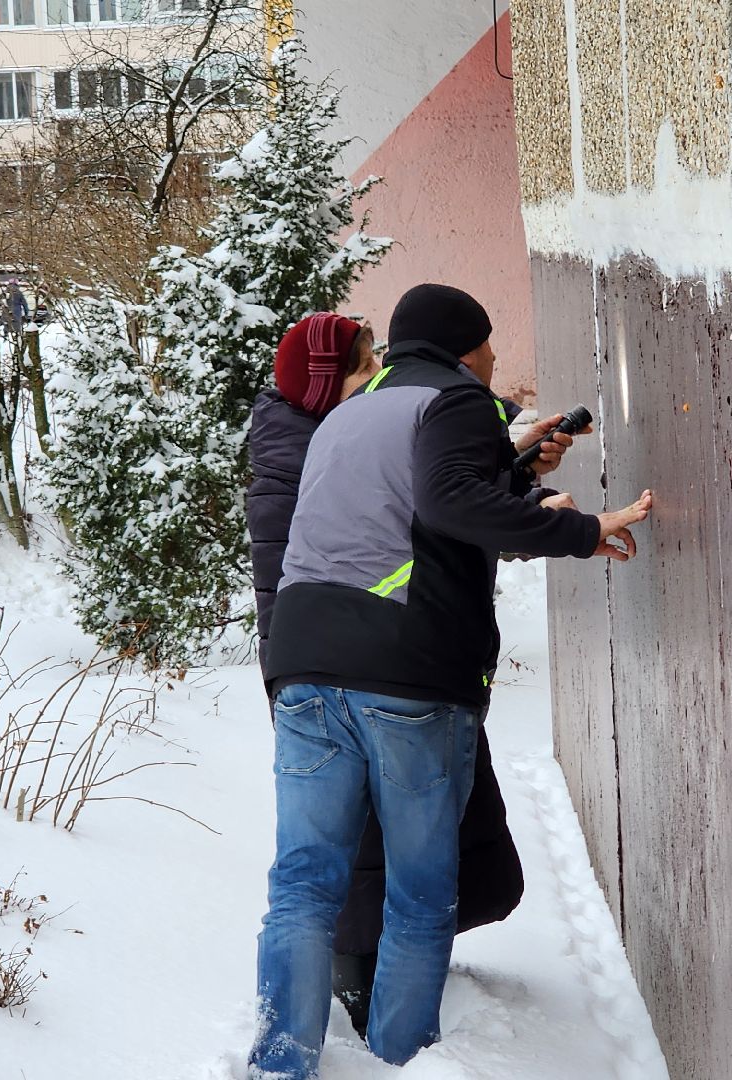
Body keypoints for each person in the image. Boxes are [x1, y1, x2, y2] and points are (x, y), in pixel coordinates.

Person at [249, 284, 653, 1079]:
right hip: (408, 672)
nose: (495, 362)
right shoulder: (457, 399)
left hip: (301, 664)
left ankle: (278, 1064)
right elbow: (446, 499)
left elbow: (407, 510)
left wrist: (516, 480)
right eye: (490, 349)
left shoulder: (340, 418)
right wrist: (578, 528)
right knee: (421, 888)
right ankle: (400, 1060)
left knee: (302, 882)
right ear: (465, 351)